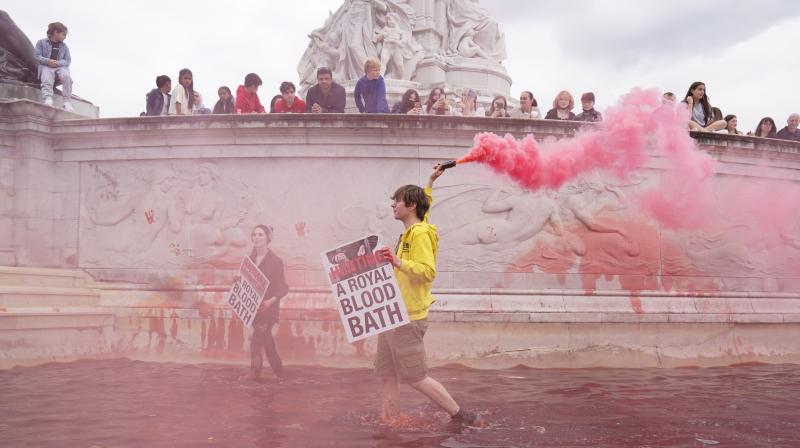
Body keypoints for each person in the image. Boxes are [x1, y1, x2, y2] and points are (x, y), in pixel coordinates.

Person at [375, 164, 482, 427]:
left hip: (407, 318)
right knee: (388, 375)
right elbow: (426, 202)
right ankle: (388, 421)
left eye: (397, 201)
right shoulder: (416, 226)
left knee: (415, 376)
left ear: (411, 206)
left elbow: (427, 271)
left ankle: (462, 416)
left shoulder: (420, 234)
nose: (393, 206)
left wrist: (398, 263)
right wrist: (431, 180)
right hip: (392, 313)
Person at [248, 224, 289, 381]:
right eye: (254, 234)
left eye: (260, 235)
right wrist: (237, 281)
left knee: (257, 340)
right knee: (267, 343)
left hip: (268, 310)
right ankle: (280, 374)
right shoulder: (250, 260)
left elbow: (283, 288)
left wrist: (270, 302)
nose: (256, 237)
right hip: (254, 309)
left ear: (268, 239)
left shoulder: (276, 261)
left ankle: (254, 374)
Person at [34, 22, 73, 111]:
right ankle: (48, 98)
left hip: (60, 67)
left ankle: (66, 102)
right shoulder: (41, 42)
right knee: (46, 78)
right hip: (46, 66)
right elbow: (37, 56)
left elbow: (67, 60)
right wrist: (48, 61)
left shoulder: (64, 47)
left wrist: (57, 63)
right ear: (56, 32)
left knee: (67, 78)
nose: (65, 37)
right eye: (63, 34)